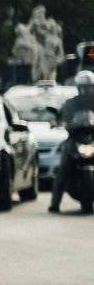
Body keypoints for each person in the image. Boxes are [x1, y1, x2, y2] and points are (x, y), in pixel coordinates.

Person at [48, 70, 94, 213]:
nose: (88, 90)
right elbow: (63, 116)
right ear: (79, 88)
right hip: (75, 137)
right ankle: (55, 203)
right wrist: (59, 122)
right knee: (63, 168)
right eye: (85, 87)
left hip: (93, 136)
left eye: (90, 87)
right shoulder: (71, 103)